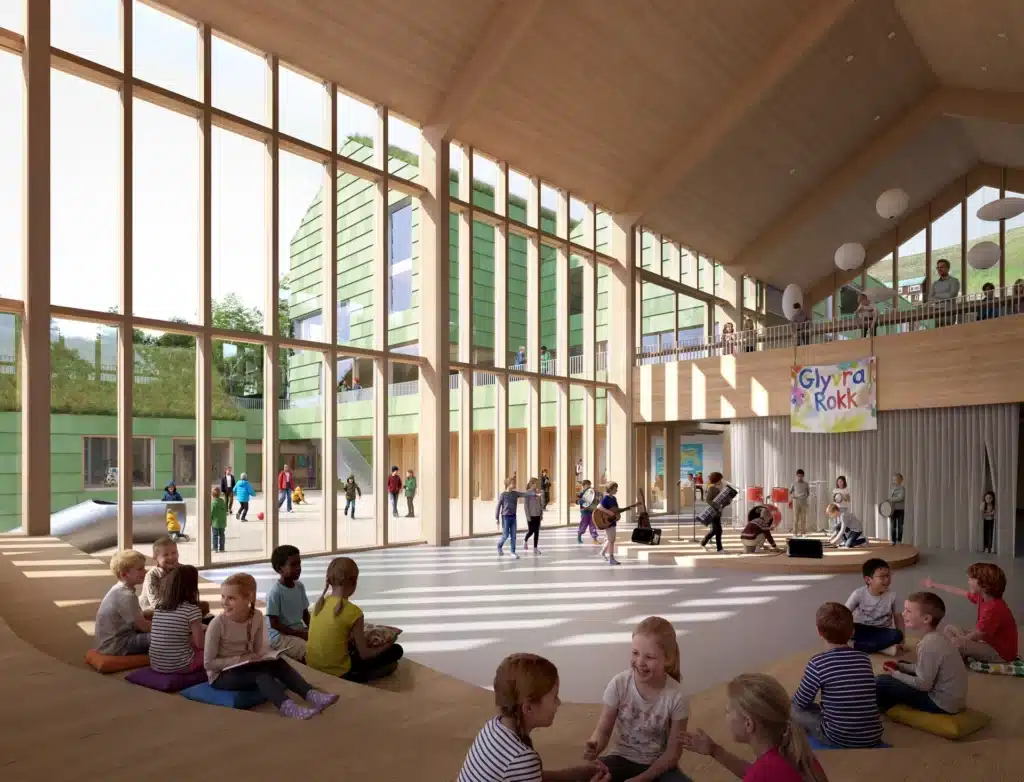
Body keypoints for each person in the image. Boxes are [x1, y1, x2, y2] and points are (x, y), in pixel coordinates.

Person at [458, 653, 610, 782]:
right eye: (554, 697)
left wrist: (573, 774)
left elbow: (527, 776)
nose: (559, 703)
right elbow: (524, 771)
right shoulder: (521, 758)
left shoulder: (493, 727)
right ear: (528, 707)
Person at [205, 573, 337, 720]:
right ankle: (289, 708)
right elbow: (209, 664)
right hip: (221, 675)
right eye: (223, 597)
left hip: (244, 665)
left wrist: (263, 656)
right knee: (261, 676)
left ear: (248, 598)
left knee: (277, 662)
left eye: (231, 598)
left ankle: (311, 694)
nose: (224, 602)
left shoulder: (257, 617)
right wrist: (239, 659)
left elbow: (256, 650)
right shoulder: (217, 624)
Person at [585, 617, 690, 782]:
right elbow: (603, 731)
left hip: (659, 766)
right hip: (620, 759)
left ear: (668, 659)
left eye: (649, 657)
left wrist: (642, 779)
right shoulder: (619, 684)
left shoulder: (677, 696)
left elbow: (672, 754)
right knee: (586, 776)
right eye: (635, 653)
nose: (640, 662)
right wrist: (594, 745)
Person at [682, 673, 829, 782]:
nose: (725, 716)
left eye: (728, 711)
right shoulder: (797, 753)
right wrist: (714, 750)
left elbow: (758, 775)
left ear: (748, 724)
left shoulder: (762, 773)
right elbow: (759, 773)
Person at [791, 602, 883, 749]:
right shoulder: (864, 658)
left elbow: (800, 703)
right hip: (872, 735)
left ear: (819, 632)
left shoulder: (817, 663)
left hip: (837, 737)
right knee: (818, 708)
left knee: (791, 708)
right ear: (852, 631)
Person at [306, 557, 404, 682]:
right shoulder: (354, 612)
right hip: (339, 673)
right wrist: (389, 643)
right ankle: (360, 677)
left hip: (312, 667)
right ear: (353, 581)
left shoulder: (318, 605)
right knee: (396, 651)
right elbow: (364, 654)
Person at [875, 591, 967, 716]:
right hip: (952, 701)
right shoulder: (938, 637)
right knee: (902, 664)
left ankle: (882, 708)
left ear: (926, 619)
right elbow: (923, 670)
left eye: (908, 611)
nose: (903, 613)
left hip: (940, 704)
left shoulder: (928, 645)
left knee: (882, 681)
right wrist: (900, 667)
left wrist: (895, 674)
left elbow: (923, 685)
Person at [924, 563, 1018, 664]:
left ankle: (955, 653)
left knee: (955, 643)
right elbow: (958, 591)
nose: (968, 581)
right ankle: (958, 652)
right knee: (949, 628)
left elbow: (978, 634)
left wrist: (961, 640)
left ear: (985, 585)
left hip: (1000, 653)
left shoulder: (993, 608)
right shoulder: (983, 597)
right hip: (987, 641)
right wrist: (934, 585)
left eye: (971, 579)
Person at [149, 565, 205, 674]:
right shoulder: (192, 610)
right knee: (211, 651)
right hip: (182, 666)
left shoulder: (159, 608)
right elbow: (200, 644)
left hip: (155, 664)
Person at [94, 550, 152, 656]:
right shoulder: (126, 596)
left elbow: (136, 615)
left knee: (151, 617)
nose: (145, 571)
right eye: (140, 569)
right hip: (117, 645)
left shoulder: (119, 589)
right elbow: (142, 626)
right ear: (124, 575)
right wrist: (168, 628)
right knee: (165, 637)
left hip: (116, 637)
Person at [846, 558, 905, 654]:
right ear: (868, 579)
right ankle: (882, 649)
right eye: (882, 577)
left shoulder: (893, 596)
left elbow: (898, 617)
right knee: (848, 632)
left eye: (888, 576)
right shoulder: (858, 594)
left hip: (881, 630)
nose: (887, 580)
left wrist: (902, 640)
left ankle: (855, 646)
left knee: (897, 635)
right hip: (860, 628)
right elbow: (845, 613)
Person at [265, 544, 309, 661]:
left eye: (299, 564)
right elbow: (274, 625)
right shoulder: (275, 592)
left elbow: (305, 614)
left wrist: (314, 629)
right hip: (280, 637)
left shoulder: (299, 587)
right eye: (293, 565)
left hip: (296, 630)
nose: (298, 568)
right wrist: (300, 634)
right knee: (309, 649)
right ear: (280, 569)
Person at [496, 477, 529, 560]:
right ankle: (499, 545)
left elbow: (524, 494)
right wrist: (497, 518)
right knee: (505, 535)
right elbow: (498, 506)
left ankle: (513, 552)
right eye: (513, 483)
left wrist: (534, 494)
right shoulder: (503, 495)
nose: (514, 484)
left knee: (513, 536)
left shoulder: (515, 493)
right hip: (505, 517)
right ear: (508, 484)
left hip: (513, 517)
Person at [700, 472, 729, 555]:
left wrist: (726, 501)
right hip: (713, 513)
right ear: (717, 480)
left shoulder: (718, 488)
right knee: (718, 531)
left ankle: (703, 543)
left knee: (714, 531)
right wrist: (717, 505)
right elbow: (708, 500)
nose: (721, 481)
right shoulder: (712, 488)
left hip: (717, 512)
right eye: (720, 479)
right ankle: (719, 549)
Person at [598, 482, 625, 566]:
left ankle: (602, 552)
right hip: (607, 521)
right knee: (612, 540)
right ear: (610, 489)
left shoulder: (614, 498)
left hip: (612, 521)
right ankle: (611, 558)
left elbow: (616, 509)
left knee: (610, 539)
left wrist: (627, 508)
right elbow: (599, 507)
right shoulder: (606, 498)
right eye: (615, 488)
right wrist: (608, 512)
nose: (616, 490)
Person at [930, 258, 961, 327]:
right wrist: (944, 297)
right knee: (937, 334)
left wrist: (937, 296)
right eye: (938, 267)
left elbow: (951, 295)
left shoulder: (954, 281)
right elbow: (930, 298)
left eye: (942, 267)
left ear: (948, 268)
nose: (939, 269)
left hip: (949, 311)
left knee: (949, 333)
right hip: (937, 312)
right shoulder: (935, 283)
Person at [523, 477, 544, 555]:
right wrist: (528, 516)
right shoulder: (527, 493)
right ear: (532, 484)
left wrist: (541, 514)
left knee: (537, 532)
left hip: (537, 515)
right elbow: (525, 506)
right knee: (531, 531)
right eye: (536, 483)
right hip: (531, 516)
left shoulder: (539, 492)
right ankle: (525, 540)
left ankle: (535, 548)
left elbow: (541, 504)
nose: (537, 485)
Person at [577, 479, 600, 544]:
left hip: (592, 511)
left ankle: (594, 539)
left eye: (590, 485)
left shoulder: (592, 492)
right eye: (588, 485)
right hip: (584, 512)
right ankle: (579, 535)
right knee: (583, 524)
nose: (589, 486)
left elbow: (597, 498)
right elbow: (577, 501)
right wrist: (579, 501)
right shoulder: (581, 493)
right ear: (583, 486)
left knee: (593, 525)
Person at [790, 469, 810, 537]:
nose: (800, 477)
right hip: (796, 501)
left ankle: (803, 533)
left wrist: (805, 496)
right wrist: (794, 496)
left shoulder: (806, 484)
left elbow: (808, 493)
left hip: (803, 501)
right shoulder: (794, 483)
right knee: (796, 518)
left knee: (803, 518)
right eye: (798, 476)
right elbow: (790, 493)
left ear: (803, 476)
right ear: (797, 476)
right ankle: (794, 533)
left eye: (801, 476)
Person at [889, 473, 905, 544]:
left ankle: (899, 540)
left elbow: (901, 497)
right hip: (893, 509)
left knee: (900, 525)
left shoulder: (902, 489)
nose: (894, 481)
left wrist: (892, 499)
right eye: (894, 479)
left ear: (901, 480)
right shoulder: (893, 489)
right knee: (893, 525)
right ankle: (893, 540)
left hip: (900, 509)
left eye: (896, 479)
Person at [211, 485, 227, 554]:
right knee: (222, 535)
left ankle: (215, 548)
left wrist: (209, 521)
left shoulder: (213, 503)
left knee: (215, 536)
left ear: (212, 495)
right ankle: (222, 548)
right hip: (222, 522)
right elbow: (224, 512)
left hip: (215, 523)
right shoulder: (222, 502)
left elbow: (211, 513)